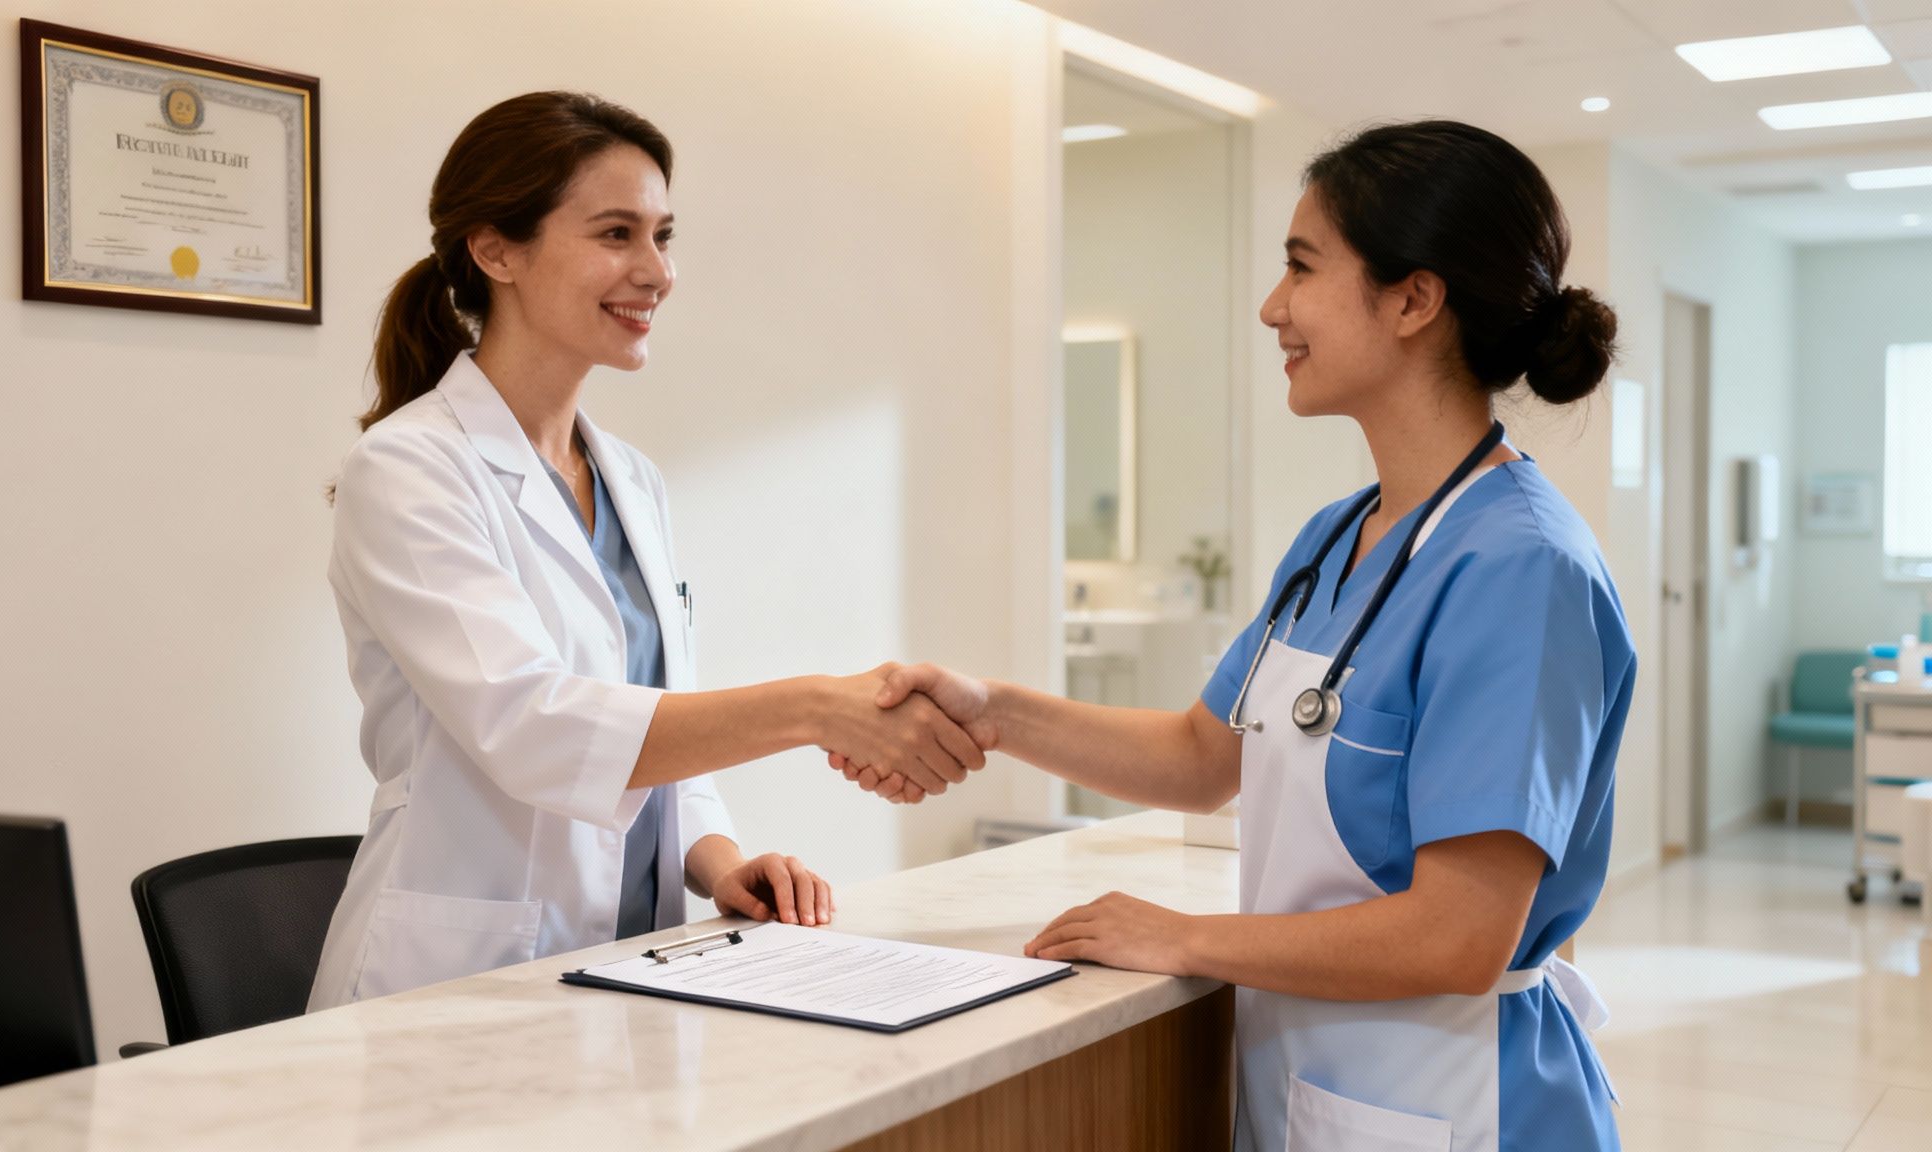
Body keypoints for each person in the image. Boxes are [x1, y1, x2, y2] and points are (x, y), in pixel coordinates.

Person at [839, 121, 1631, 1151]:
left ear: (1410, 299)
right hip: (1322, 1082)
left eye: (1299, 268)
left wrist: (1180, 936)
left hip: (1467, 1099)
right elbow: (1202, 756)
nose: (1272, 308)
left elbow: (1458, 936)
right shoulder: (1338, 535)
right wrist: (994, 714)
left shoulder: (1521, 569)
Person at [307, 93, 982, 1011]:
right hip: (455, 981)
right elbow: (536, 730)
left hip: (632, 971)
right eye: (617, 233)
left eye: (664, 235)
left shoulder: (630, 480)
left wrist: (722, 863)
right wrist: (820, 707)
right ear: (495, 249)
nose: (656, 271)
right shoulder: (407, 469)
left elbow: (654, 729)